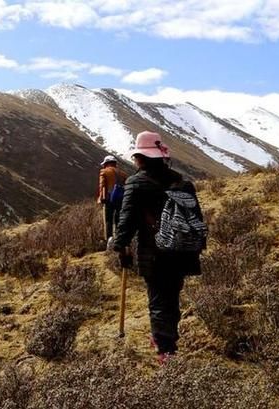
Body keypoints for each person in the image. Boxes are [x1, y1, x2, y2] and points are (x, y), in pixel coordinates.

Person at [113, 131, 203, 363]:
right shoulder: (183, 183)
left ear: (140, 158)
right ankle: (164, 336)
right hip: (183, 251)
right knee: (171, 294)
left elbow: (127, 219)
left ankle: (166, 349)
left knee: (157, 297)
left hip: (154, 251)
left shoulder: (136, 183)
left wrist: (121, 245)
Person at [98, 155, 127, 243]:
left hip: (109, 198)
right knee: (118, 219)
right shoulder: (123, 174)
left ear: (106, 163)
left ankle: (109, 240)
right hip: (121, 198)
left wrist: (102, 198)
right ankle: (119, 238)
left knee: (108, 219)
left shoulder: (104, 172)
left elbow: (102, 185)